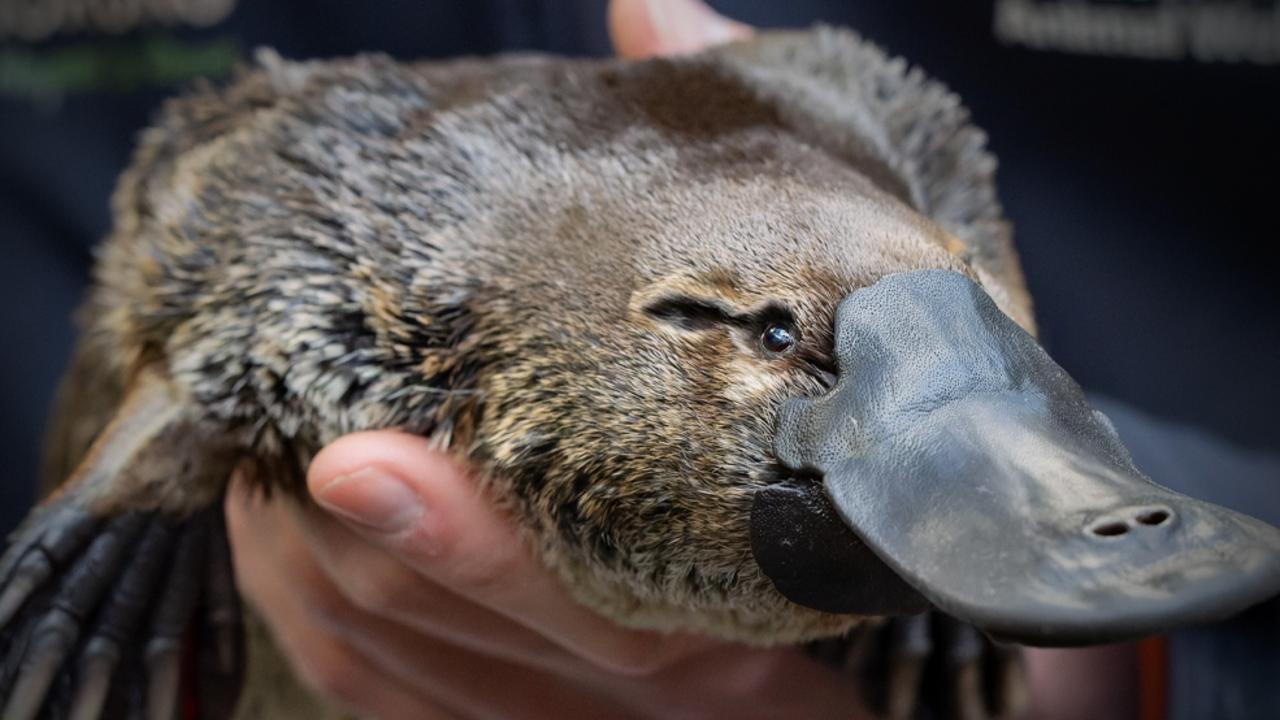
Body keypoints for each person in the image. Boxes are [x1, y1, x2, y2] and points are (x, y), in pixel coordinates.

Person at [4, 0, 1276, 717]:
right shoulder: (408, 251)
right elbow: (242, 204)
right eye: (774, 337)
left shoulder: (875, 127)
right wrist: (153, 479)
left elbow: (908, 121)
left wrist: (1135, 672)